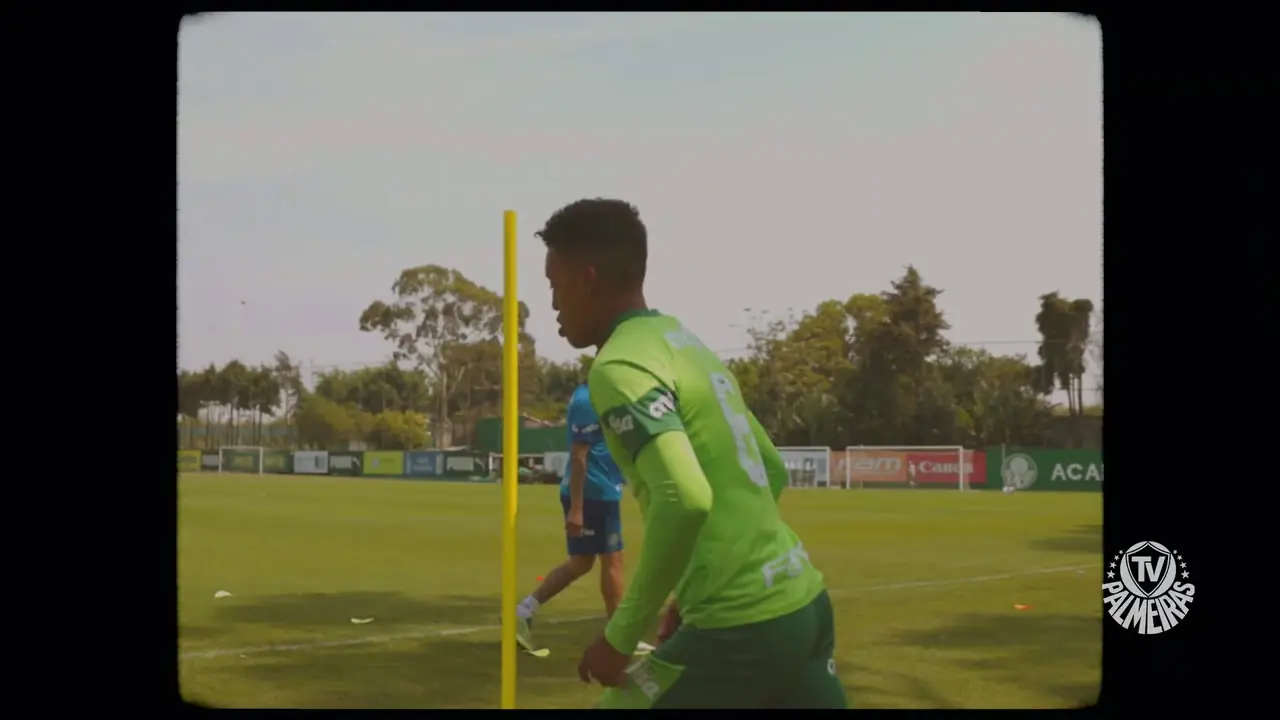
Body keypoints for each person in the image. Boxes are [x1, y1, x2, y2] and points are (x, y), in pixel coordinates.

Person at [538, 198, 849, 709]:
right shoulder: (682, 341)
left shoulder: (619, 367)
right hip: (804, 605)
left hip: (740, 627)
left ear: (587, 279)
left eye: (555, 286)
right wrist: (692, 591)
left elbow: (684, 498)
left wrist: (620, 638)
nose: (553, 304)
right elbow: (770, 470)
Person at [515, 382, 656, 656]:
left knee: (581, 563)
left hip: (600, 490)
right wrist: (577, 508)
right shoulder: (586, 401)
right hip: (594, 493)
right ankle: (620, 636)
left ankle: (524, 610)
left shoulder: (607, 396)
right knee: (613, 559)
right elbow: (579, 456)